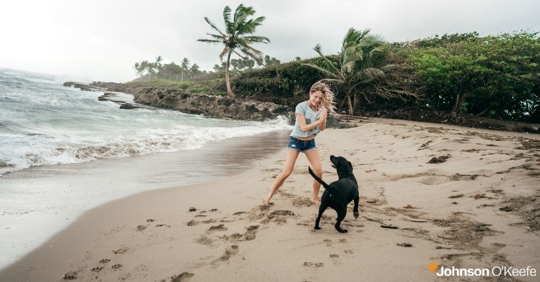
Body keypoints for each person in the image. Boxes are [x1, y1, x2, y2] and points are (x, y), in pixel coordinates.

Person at [263, 81, 336, 206]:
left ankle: (314, 198)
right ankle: (269, 196)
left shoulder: (321, 109)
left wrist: (323, 118)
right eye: (315, 97)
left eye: (320, 98)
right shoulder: (301, 106)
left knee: (318, 171)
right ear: (310, 94)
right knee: (287, 171)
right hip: (295, 141)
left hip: (310, 143)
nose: (317, 100)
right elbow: (303, 128)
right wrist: (319, 121)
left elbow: (322, 128)